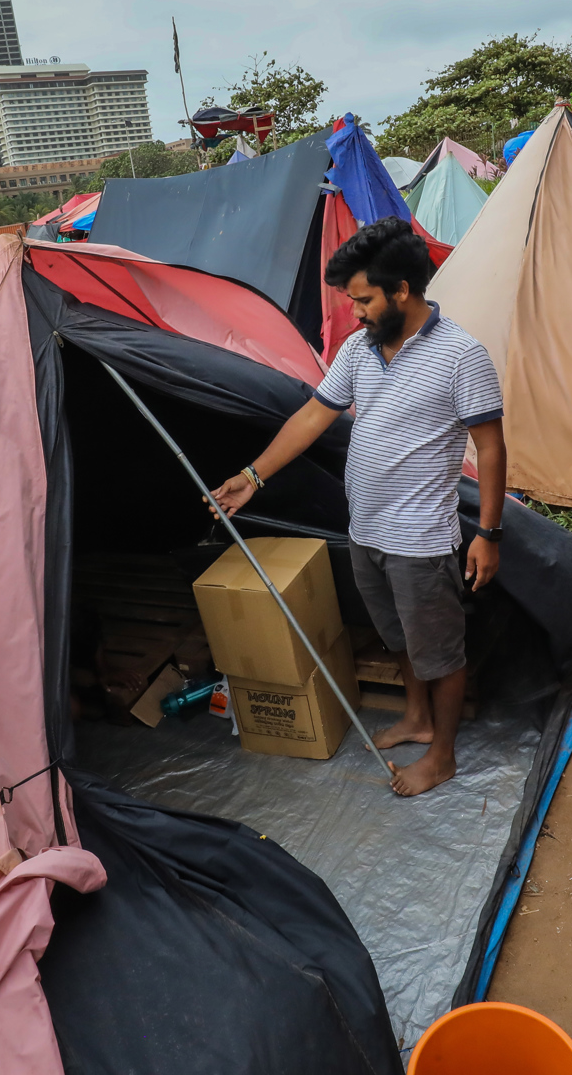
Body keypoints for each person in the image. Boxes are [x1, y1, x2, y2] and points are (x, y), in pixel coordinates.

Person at [210, 220, 506, 796]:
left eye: (364, 299)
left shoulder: (461, 355)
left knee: (439, 651)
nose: (355, 312)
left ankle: (442, 755)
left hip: (420, 541)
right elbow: (312, 416)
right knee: (396, 636)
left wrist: (488, 533)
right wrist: (252, 477)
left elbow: (490, 447)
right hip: (365, 530)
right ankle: (417, 719)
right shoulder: (359, 350)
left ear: (401, 290)